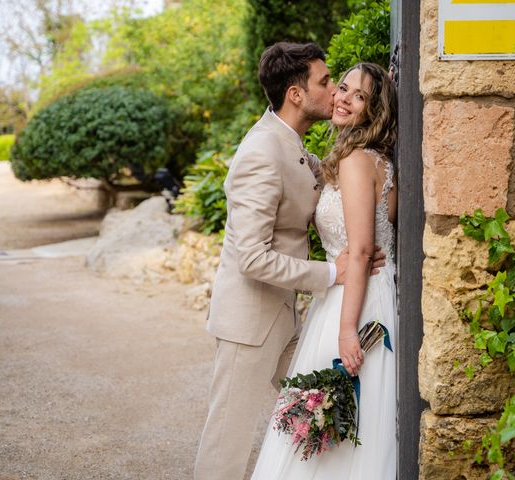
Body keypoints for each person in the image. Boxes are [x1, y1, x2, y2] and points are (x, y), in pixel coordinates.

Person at [193, 43, 384, 480]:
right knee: (226, 445)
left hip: (286, 319)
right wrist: (334, 272)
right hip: (249, 325)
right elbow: (252, 258)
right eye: (324, 82)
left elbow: (324, 179)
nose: (334, 90)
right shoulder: (261, 151)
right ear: (296, 94)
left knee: (321, 410)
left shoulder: (290, 142)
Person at [251, 62, 398, 479]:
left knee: (339, 419)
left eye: (359, 96)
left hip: (353, 302)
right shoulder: (375, 161)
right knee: (354, 418)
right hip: (369, 291)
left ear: (374, 109)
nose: (344, 98)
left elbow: (363, 248)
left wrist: (348, 329)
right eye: (343, 88)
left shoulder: (355, 162)